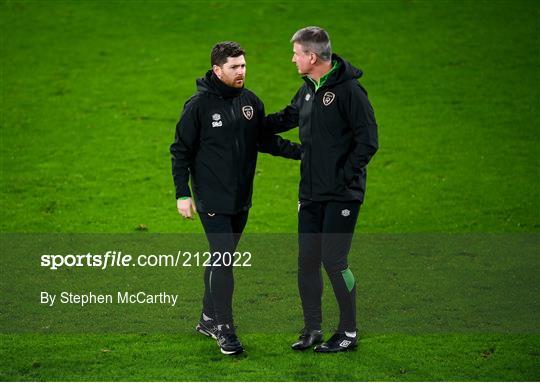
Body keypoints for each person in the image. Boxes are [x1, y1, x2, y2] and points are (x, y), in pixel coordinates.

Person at [170, 41, 301, 355]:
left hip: (241, 199)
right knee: (224, 260)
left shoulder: (250, 102)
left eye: (243, 65)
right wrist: (182, 194)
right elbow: (180, 151)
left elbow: (264, 140)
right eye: (234, 67)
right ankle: (224, 330)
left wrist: (304, 154)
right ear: (217, 70)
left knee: (220, 259)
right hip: (211, 199)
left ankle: (206, 317)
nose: (241, 71)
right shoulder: (198, 106)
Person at [264, 27, 378, 353]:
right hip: (310, 194)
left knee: (334, 260)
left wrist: (343, 177)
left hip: (342, 194)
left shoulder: (350, 92)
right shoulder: (308, 91)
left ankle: (348, 331)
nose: (293, 59)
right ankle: (312, 329)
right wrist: (252, 123)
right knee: (308, 260)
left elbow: (368, 141)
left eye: (297, 53)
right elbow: (288, 117)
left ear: (312, 57)